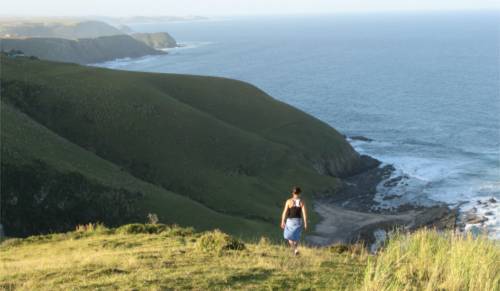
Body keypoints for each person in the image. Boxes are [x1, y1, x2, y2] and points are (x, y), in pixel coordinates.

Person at [280, 186, 307, 255]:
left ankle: (295, 249)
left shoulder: (288, 201)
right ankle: (296, 249)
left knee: (288, 236)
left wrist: (282, 221)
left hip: (290, 221)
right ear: (299, 193)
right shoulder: (301, 202)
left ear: (293, 193)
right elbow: (304, 213)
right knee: (296, 237)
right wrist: (305, 223)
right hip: (298, 221)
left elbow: (284, 212)